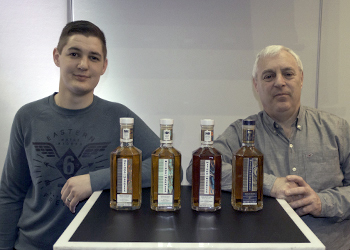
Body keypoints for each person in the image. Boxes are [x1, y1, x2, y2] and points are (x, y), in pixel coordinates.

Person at [0, 20, 160, 250]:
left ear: (104, 66)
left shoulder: (119, 117)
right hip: (33, 245)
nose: (83, 65)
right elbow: (10, 193)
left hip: (97, 244)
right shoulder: (28, 117)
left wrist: (96, 180)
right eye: (74, 54)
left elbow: (162, 164)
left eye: (93, 57)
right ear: (57, 56)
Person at [186, 45, 350, 249]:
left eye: (288, 74)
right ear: (256, 85)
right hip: (263, 243)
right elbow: (197, 171)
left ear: (301, 78)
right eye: (269, 76)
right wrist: (268, 184)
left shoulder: (337, 129)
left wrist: (322, 202)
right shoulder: (240, 133)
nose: (279, 82)